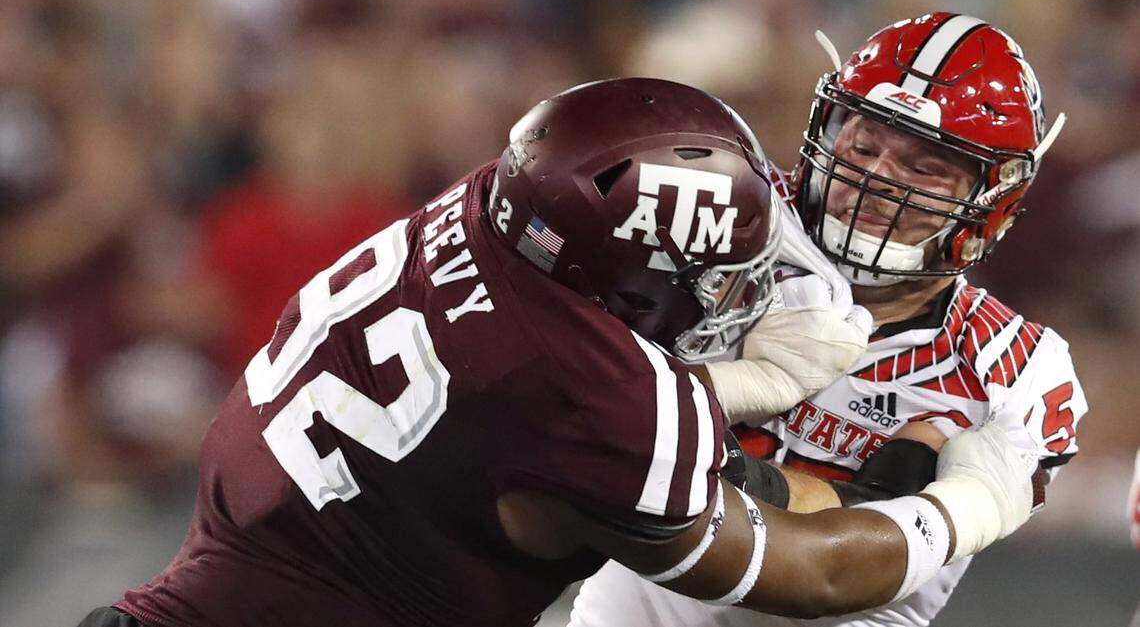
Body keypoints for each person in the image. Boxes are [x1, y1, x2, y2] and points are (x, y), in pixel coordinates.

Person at [79, 77, 1035, 627]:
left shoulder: (495, 200)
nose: (737, 293)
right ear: (636, 276)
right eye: (718, 276)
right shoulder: (590, 399)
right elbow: (806, 567)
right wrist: (965, 503)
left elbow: (520, 398)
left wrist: (739, 383)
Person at [569, 13, 1088, 627]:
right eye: (863, 146)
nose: (874, 180)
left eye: (923, 169)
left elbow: (848, 556)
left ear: (990, 201)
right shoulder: (725, 214)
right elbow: (556, 377)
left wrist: (690, 426)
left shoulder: (1015, 367)